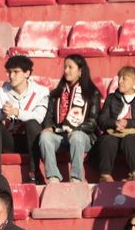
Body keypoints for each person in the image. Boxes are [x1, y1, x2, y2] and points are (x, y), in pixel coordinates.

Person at [36, 55, 100, 184]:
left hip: (83, 138)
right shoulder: (56, 94)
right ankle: (53, 176)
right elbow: (48, 117)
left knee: (76, 136)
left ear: (80, 71)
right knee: (45, 137)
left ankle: (76, 178)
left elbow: (93, 123)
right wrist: (48, 127)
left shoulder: (92, 93)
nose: (66, 70)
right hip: (60, 135)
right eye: (65, 67)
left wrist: (76, 129)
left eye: (70, 67)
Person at [0, 54, 49, 182]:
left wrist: (16, 112)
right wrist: (2, 113)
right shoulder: (1, 91)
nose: (11, 76)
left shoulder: (41, 91)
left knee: (32, 123)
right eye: (9, 72)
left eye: (16, 72)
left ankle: (33, 173)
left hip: (31, 140)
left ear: (27, 73)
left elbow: (39, 117)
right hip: (10, 140)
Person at [96, 65, 135, 182]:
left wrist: (128, 123)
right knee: (107, 140)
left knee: (130, 139)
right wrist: (115, 123)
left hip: (133, 134)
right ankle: (105, 175)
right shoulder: (111, 98)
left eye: (124, 78)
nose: (120, 81)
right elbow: (101, 121)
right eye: (119, 78)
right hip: (114, 133)